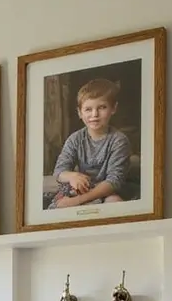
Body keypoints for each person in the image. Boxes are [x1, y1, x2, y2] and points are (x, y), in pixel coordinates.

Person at [49, 79, 131, 209]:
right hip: (81, 188)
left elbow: (114, 182)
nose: (94, 114)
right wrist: (72, 176)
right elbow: (59, 171)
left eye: (102, 107)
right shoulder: (75, 139)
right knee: (58, 205)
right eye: (88, 109)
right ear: (79, 113)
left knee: (115, 203)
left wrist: (77, 201)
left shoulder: (119, 140)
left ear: (113, 108)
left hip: (107, 191)